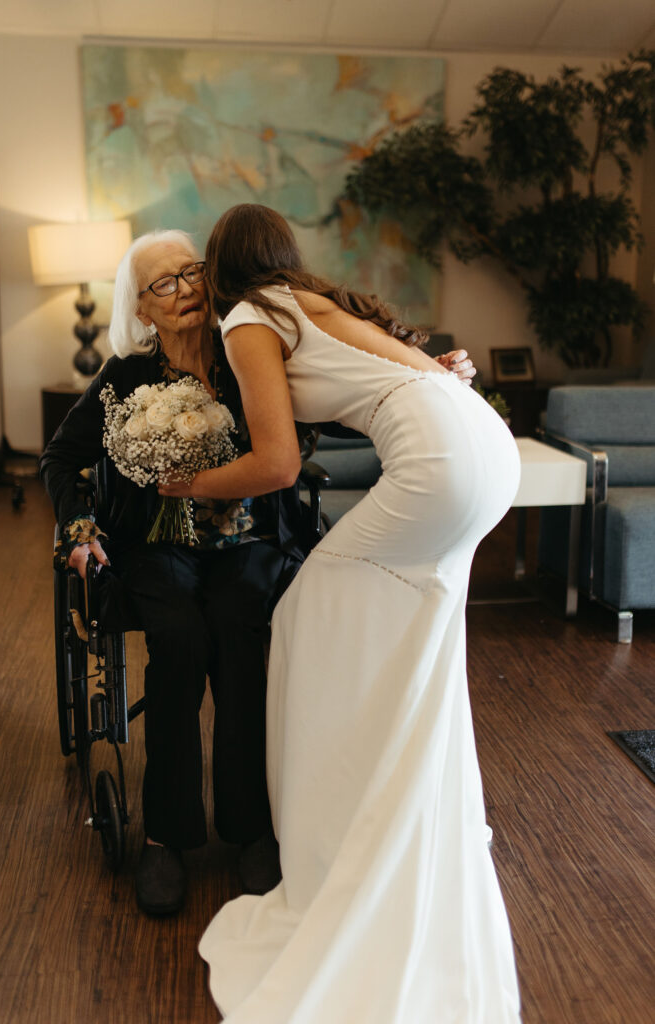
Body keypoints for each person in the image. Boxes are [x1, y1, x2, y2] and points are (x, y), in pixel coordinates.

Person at [40, 228, 475, 919]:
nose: (186, 289)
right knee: (178, 639)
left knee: (242, 632)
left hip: (250, 542)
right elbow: (60, 460)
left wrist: (428, 376)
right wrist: (81, 529)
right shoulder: (123, 378)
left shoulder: (245, 347)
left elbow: (344, 407)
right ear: (142, 309)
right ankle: (166, 836)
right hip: (157, 547)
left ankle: (251, 829)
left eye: (191, 273)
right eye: (164, 284)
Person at [160, 204, 522, 1022]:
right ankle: (391, 796)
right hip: (483, 444)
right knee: (406, 636)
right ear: (282, 253)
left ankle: (332, 834)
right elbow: (418, 372)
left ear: (220, 268)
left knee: (304, 618)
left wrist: (186, 484)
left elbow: (277, 464)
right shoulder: (312, 302)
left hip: (441, 458)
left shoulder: (252, 313)